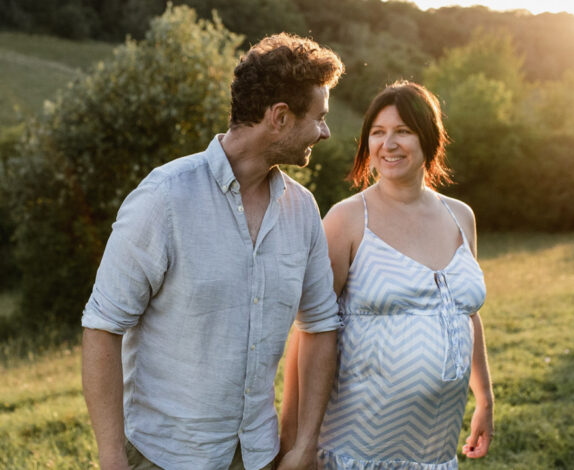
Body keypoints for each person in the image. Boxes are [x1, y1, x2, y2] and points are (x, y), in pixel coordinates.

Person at [81, 33, 344, 470]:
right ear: (279, 117)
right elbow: (102, 327)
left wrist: (303, 444)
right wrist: (111, 459)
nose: (325, 131)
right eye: (318, 117)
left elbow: (319, 325)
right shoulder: (163, 198)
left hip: (258, 455)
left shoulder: (303, 210)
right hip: (162, 456)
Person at [280, 81, 494, 469]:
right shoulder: (346, 220)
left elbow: (465, 315)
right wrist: (295, 442)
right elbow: (308, 331)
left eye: (403, 131)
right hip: (355, 452)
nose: (388, 144)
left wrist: (485, 398)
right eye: (377, 133)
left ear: (429, 137)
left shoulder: (461, 216)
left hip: (435, 454)